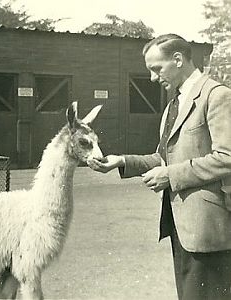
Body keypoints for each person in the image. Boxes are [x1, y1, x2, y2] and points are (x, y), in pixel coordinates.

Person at [87, 33, 231, 300]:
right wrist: (122, 161)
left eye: (156, 69)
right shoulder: (172, 107)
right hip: (182, 225)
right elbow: (164, 159)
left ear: (178, 60)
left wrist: (171, 175)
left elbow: (227, 157)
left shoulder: (217, 95)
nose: (153, 78)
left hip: (209, 229)